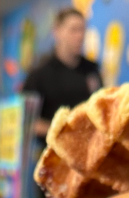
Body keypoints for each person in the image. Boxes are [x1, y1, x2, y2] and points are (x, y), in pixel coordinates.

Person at [20, 8, 102, 138]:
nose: (80, 36)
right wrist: (63, 131)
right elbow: (26, 121)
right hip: (54, 152)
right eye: (73, 30)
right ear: (57, 32)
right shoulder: (39, 74)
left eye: (82, 30)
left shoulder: (92, 69)